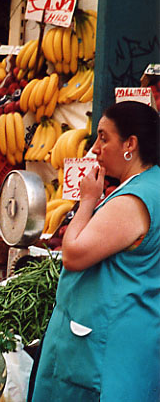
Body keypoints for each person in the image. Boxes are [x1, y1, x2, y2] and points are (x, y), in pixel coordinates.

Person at [32, 101, 160, 401]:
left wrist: (88, 200)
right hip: (135, 335)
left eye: (104, 138)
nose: (96, 148)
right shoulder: (152, 185)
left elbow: (73, 255)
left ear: (130, 144)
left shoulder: (133, 200)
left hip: (109, 348)